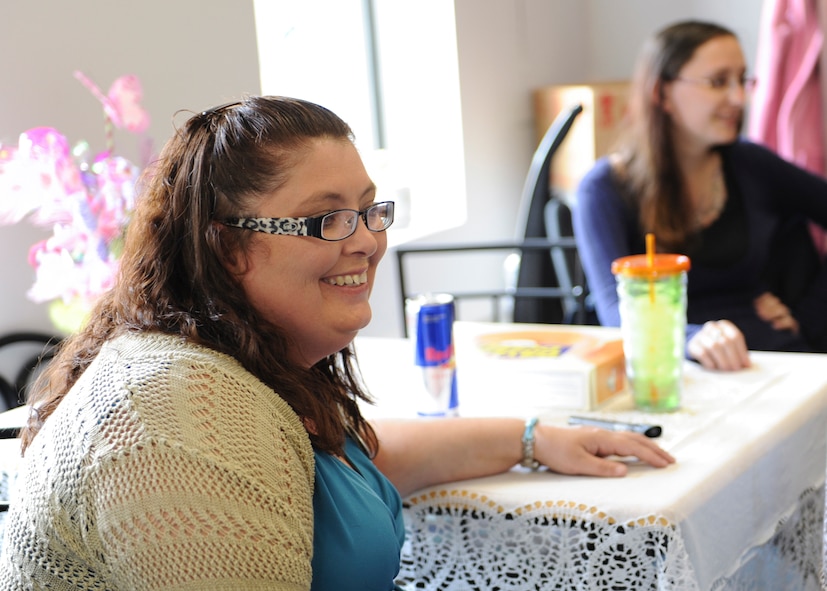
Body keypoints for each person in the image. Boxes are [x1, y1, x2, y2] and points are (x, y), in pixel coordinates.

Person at [0, 96, 674, 590]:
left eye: (369, 209)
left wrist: (532, 437)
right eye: (325, 218)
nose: (366, 239)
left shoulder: (243, 369)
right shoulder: (177, 408)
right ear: (228, 246)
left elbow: (343, 464)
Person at [573, 20, 827, 372]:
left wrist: (809, 316)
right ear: (662, 93)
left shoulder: (750, 162)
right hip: (674, 373)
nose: (739, 98)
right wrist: (692, 337)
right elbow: (616, 316)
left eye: (742, 80)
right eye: (718, 82)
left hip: (776, 359)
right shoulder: (603, 189)